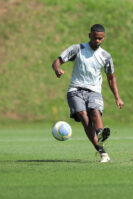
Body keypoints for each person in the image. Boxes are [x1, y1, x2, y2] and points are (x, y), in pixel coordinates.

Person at [52, 24, 124, 163]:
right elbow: (57, 61)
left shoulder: (106, 56)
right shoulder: (77, 49)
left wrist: (117, 97)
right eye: (95, 38)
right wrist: (57, 69)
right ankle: (101, 149)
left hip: (94, 91)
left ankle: (100, 136)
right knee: (85, 119)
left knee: (95, 112)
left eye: (100, 39)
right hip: (75, 90)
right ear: (90, 35)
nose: (97, 41)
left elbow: (111, 78)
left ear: (103, 38)